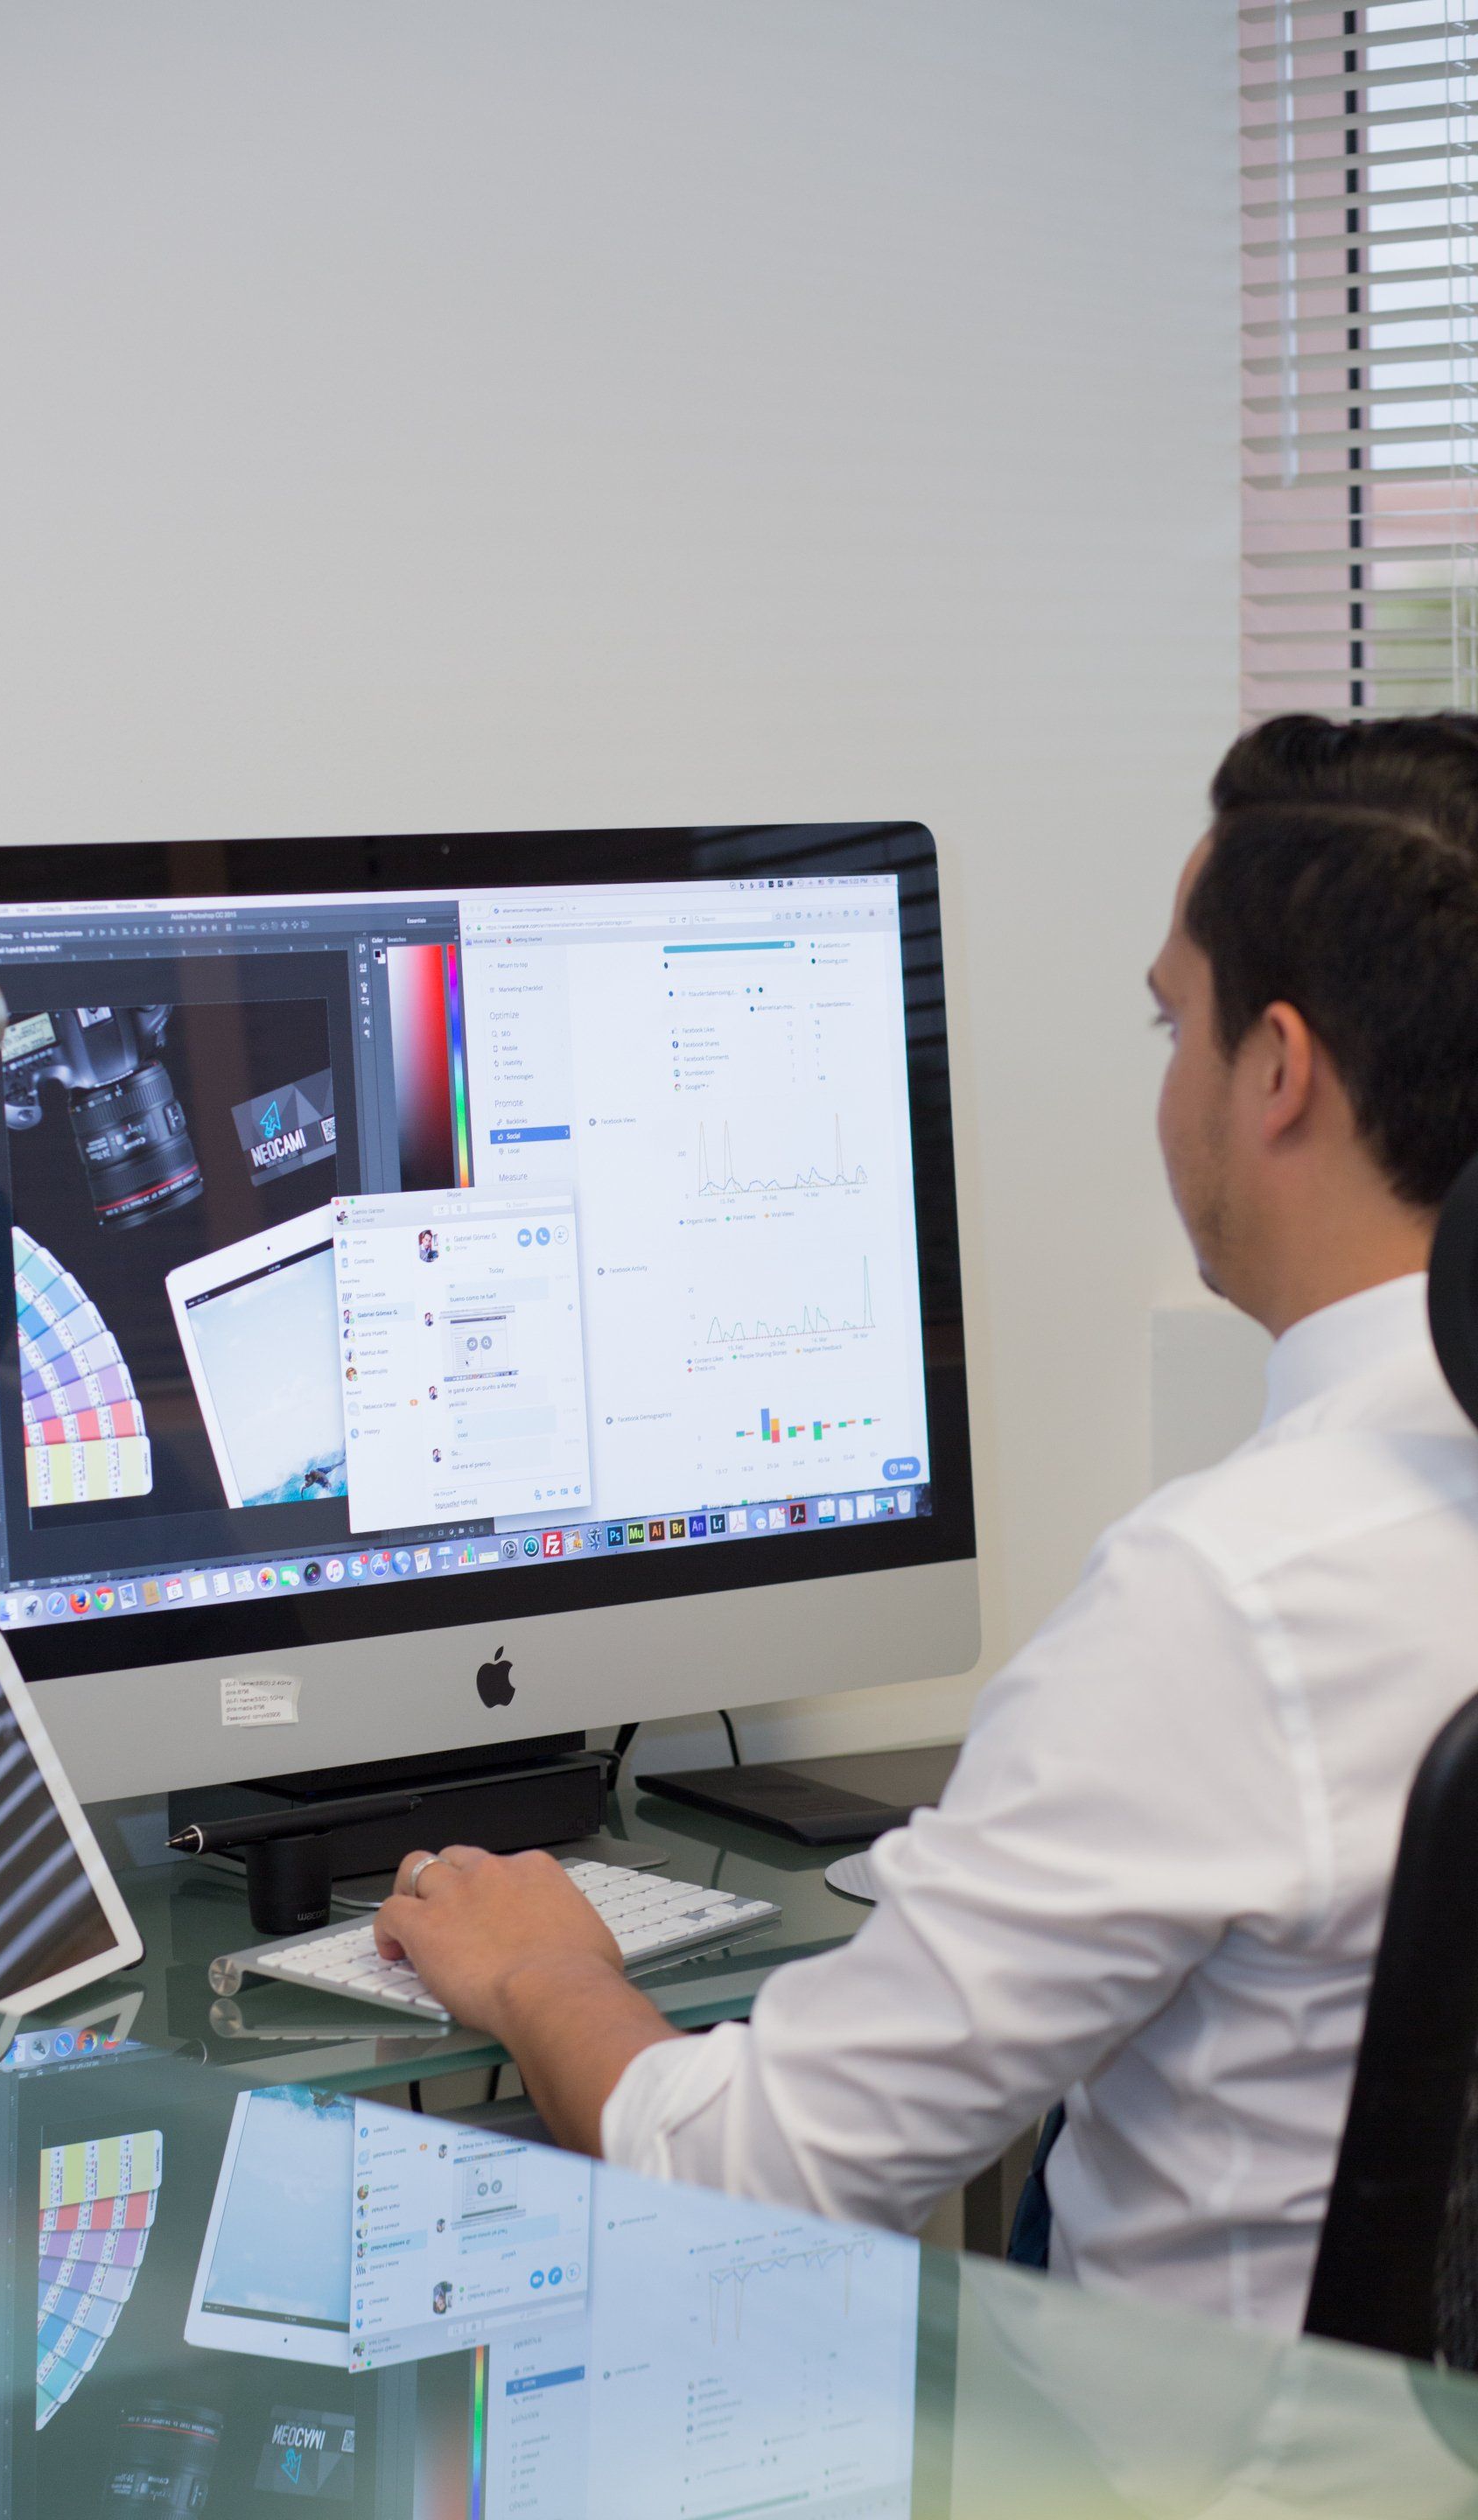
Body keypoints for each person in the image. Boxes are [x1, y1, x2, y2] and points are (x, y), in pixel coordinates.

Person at [375, 716, 1478, 2332]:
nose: (1165, 1083)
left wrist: (543, 1967)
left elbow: (760, 2172)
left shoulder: (1232, 1595)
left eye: (1175, 1023)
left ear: (1279, 1072)